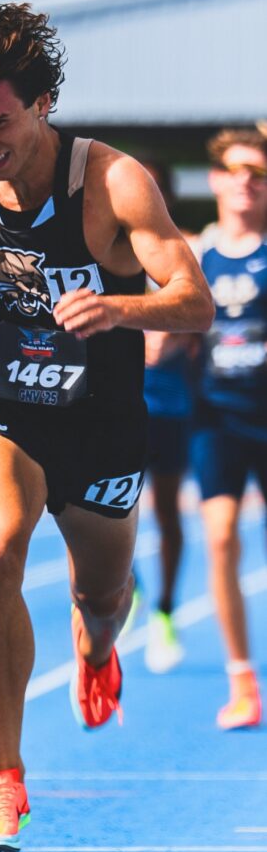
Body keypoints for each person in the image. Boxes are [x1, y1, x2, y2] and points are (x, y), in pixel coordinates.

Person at [0, 3, 214, 852]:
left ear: (40, 102)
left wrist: (117, 306)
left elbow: (194, 301)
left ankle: (99, 641)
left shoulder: (112, 183)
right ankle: (3, 780)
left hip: (102, 423)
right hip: (9, 407)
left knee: (98, 597)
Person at [190, 127, 267, 730]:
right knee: (219, 536)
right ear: (215, 180)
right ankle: (242, 681)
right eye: (236, 170)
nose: (246, 181)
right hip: (215, 416)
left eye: (258, 172)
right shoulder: (195, 254)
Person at [139, 161, 199, 673]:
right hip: (114, 403)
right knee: (100, 511)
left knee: (167, 515)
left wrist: (181, 337)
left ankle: (164, 612)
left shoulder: (191, 249)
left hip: (171, 403)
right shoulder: (105, 248)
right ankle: (122, 585)